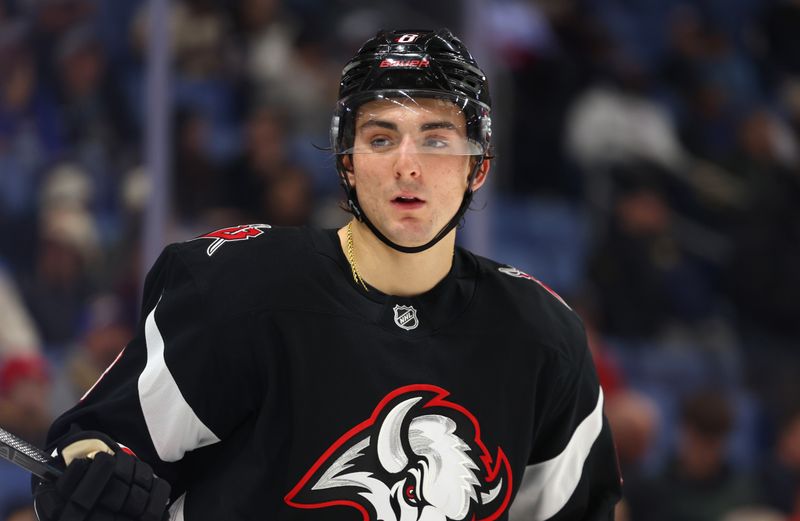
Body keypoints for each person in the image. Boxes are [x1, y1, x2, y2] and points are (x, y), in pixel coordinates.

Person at [32, 29, 621, 521]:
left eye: (437, 140)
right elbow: (94, 445)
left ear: (479, 166)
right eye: (381, 138)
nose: (408, 166)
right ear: (347, 162)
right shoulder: (240, 289)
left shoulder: (542, 338)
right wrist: (91, 473)